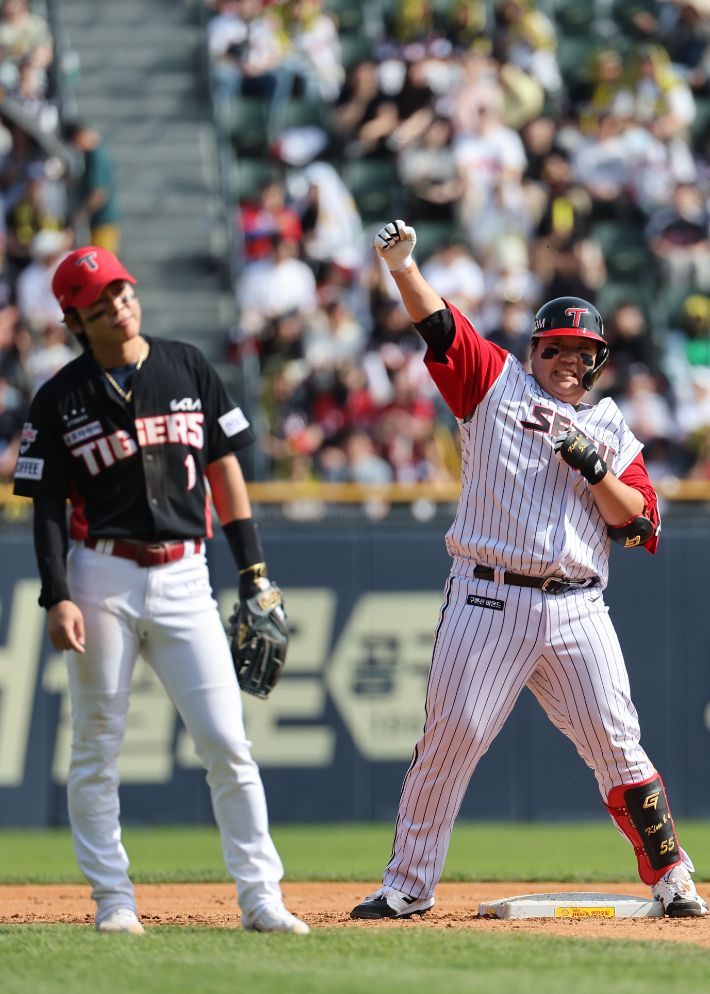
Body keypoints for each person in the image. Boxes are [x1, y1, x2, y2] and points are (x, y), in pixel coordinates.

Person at [350, 219, 708, 922]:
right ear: (534, 350)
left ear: (598, 362)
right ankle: (408, 885)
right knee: (451, 736)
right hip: (488, 598)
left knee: (616, 743)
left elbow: (637, 523)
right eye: (556, 349)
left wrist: (592, 463)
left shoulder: (610, 429)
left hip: (577, 608)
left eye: (582, 352)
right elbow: (440, 328)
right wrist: (403, 268)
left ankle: (674, 878)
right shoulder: (494, 385)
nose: (567, 361)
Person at [12, 246, 309, 936]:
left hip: (185, 573)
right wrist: (56, 593)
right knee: (96, 745)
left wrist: (254, 570)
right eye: (98, 302)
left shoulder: (186, 365)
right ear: (75, 320)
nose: (117, 305)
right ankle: (114, 899)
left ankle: (261, 896)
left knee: (227, 742)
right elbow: (47, 506)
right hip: (100, 575)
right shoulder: (60, 396)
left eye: (120, 290)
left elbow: (226, 470)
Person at [62, 123, 121, 253]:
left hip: (103, 222)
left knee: (102, 265)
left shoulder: (96, 155)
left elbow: (99, 194)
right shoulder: (94, 154)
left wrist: (82, 215)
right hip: (101, 222)